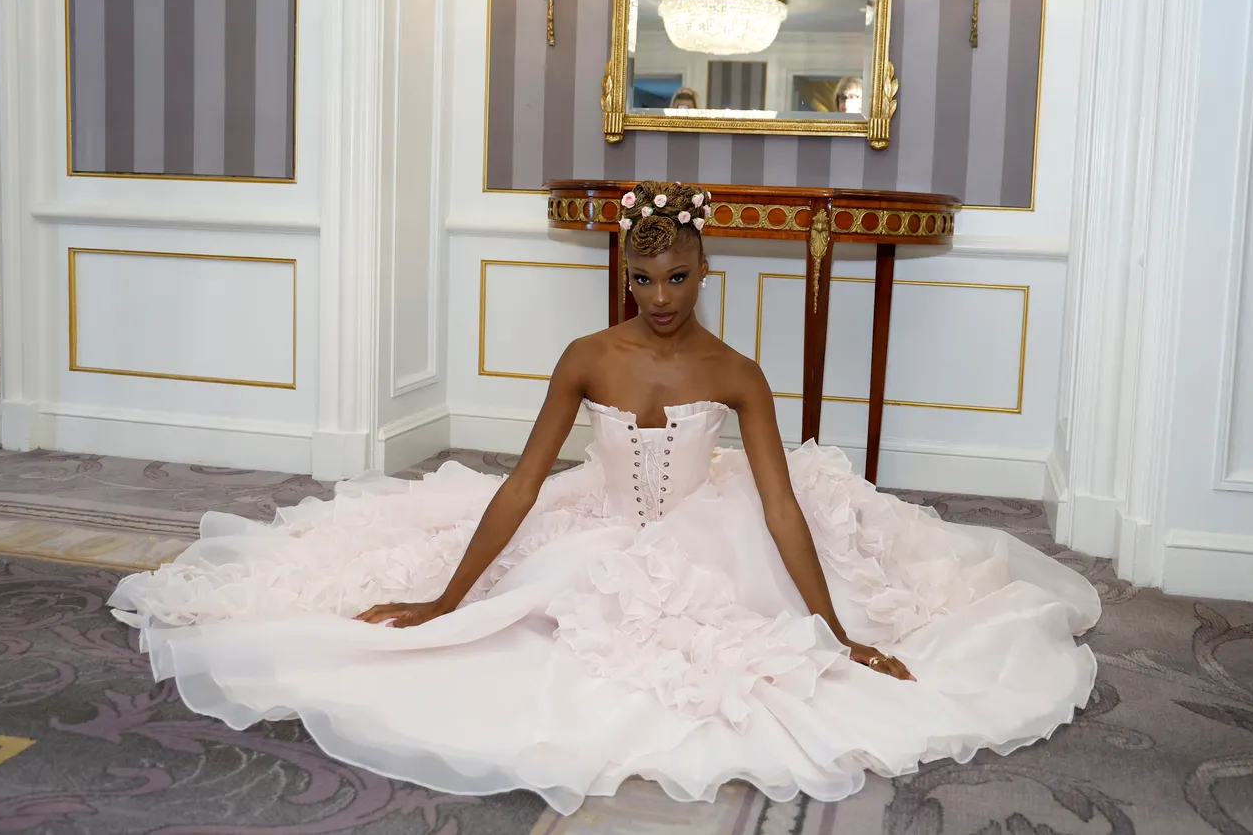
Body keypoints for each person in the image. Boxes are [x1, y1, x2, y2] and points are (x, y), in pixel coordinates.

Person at [108, 181, 1101, 816]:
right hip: (600, 515)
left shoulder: (739, 371)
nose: (659, 294)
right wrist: (446, 599)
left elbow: (782, 506)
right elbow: (524, 483)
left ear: (705, 268)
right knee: (511, 612)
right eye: (641, 274)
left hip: (715, 534)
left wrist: (837, 632)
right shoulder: (586, 357)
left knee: (757, 651)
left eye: (675, 274)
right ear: (623, 271)